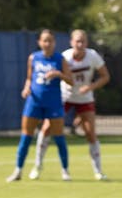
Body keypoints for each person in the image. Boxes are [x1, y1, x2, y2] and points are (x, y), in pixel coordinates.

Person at [39, 29, 110, 180]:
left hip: (84, 98)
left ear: (86, 43)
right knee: (46, 128)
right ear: (71, 42)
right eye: (77, 41)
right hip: (65, 96)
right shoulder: (65, 56)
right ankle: (37, 166)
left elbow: (105, 76)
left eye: (83, 41)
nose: (80, 44)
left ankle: (98, 171)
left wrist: (90, 87)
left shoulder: (92, 56)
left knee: (90, 133)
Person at [8, 29, 71, 182]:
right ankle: (18, 171)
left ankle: (65, 171)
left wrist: (58, 74)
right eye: (44, 40)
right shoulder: (34, 58)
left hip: (53, 103)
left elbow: (71, 80)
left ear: (54, 42)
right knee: (26, 137)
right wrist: (26, 88)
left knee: (59, 137)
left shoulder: (60, 59)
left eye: (50, 40)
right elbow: (29, 78)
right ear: (39, 42)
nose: (47, 43)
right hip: (34, 102)